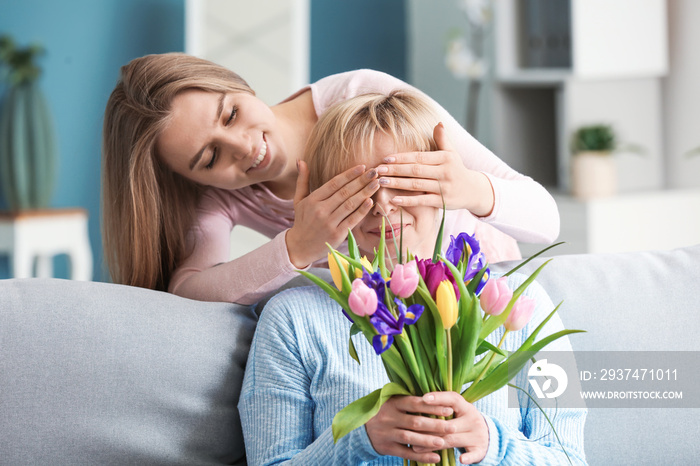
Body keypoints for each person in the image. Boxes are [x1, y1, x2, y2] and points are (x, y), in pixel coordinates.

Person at [239, 92, 586, 465]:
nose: (384, 205)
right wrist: (361, 441)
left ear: (444, 185)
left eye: (404, 181)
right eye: (359, 189)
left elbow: (570, 458)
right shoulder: (292, 321)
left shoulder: (515, 301)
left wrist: (491, 444)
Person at [102, 53, 560, 304]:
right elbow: (187, 292)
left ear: (240, 84)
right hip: (389, 317)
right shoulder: (221, 199)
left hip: (485, 291)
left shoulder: (364, 97)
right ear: (189, 178)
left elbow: (546, 220)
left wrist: (471, 190)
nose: (243, 147)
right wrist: (297, 247)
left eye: (232, 113)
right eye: (208, 157)